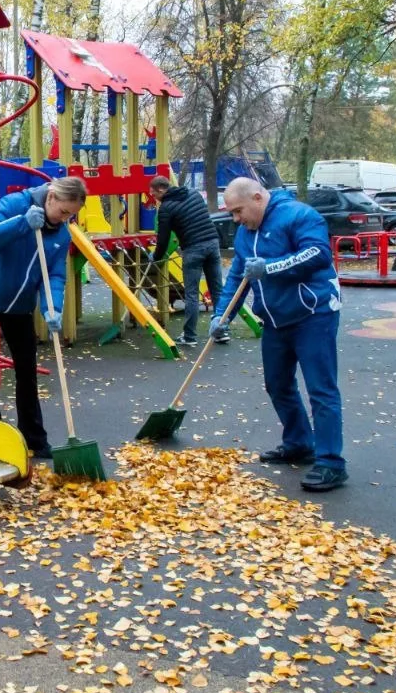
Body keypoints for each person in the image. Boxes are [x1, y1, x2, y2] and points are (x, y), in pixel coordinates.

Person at [210, 177, 347, 492]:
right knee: (277, 384)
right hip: (274, 319)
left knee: (321, 389)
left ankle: (331, 462)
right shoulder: (246, 234)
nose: (235, 219)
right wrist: (222, 316)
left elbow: (317, 254)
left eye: (238, 211)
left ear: (258, 198)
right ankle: (300, 442)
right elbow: (237, 277)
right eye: (232, 213)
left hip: (314, 313)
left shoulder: (300, 216)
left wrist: (270, 267)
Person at [0, 176, 88, 459]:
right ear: (51, 197)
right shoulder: (16, 204)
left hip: (18, 306)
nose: (65, 218)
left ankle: (34, 439)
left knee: (27, 371)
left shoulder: (62, 234)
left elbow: (53, 275)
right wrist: (21, 224)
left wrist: (51, 308)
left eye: (71, 215)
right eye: (64, 211)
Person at [149, 175, 225, 347]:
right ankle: (222, 330)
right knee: (217, 290)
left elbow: (163, 239)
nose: (154, 198)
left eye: (154, 194)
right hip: (213, 243)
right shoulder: (193, 193)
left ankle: (189, 336)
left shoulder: (166, 208)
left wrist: (156, 258)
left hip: (193, 248)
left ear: (161, 190)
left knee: (191, 294)